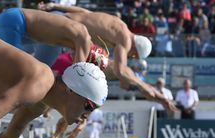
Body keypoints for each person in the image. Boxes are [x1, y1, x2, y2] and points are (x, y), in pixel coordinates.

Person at [37, 3, 177, 111]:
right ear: (135, 49)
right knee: (37, 77)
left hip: (56, 19)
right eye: (133, 55)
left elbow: (84, 13)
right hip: (59, 29)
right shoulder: (125, 40)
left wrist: (54, 6)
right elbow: (120, 70)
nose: (131, 56)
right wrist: (143, 86)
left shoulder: (117, 23)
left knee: (24, 52)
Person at [0, 8, 108, 68]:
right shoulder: (83, 38)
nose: (72, 57)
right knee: (14, 69)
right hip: (16, 23)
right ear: (88, 56)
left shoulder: (74, 38)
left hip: (16, 22)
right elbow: (78, 72)